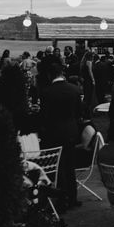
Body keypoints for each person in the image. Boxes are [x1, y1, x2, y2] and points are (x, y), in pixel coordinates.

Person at [39, 61, 83, 209]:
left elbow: (44, 116)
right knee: (70, 165)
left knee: (58, 166)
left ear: (50, 75)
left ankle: (61, 198)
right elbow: (79, 113)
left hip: (54, 132)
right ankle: (73, 197)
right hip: (70, 130)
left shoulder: (46, 92)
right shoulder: (75, 90)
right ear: (62, 74)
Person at [79, 50, 97, 120]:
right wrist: (93, 80)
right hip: (89, 81)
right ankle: (88, 112)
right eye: (92, 56)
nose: (93, 57)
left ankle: (85, 111)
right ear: (90, 56)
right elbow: (90, 72)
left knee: (86, 96)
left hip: (85, 81)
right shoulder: (89, 62)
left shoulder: (83, 62)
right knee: (89, 97)